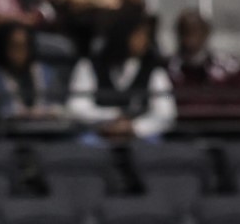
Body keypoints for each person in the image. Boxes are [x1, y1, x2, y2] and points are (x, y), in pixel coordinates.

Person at [66, 12, 176, 142]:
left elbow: (167, 110)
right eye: (138, 35)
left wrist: (134, 127)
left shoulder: (155, 71)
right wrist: (113, 116)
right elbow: (75, 107)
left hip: (141, 138)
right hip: (98, 135)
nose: (144, 40)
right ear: (122, 35)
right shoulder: (88, 67)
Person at [165, 11, 240, 91]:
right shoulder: (169, 71)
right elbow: (165, 99)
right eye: (185, 32)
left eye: (195, 32)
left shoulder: (230, 69)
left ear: (206, 33)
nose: (190, 41)